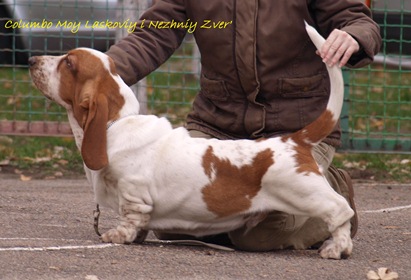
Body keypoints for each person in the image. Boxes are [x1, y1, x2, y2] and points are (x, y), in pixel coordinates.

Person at [106, 0, 382, 251]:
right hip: (217, 126)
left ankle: (330, 187)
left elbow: (357, 20)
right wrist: (96, 72)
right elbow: (153, 34)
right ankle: (234, 211)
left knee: (258, 237)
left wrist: (354, 35)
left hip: (298, 133)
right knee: (169, 223)